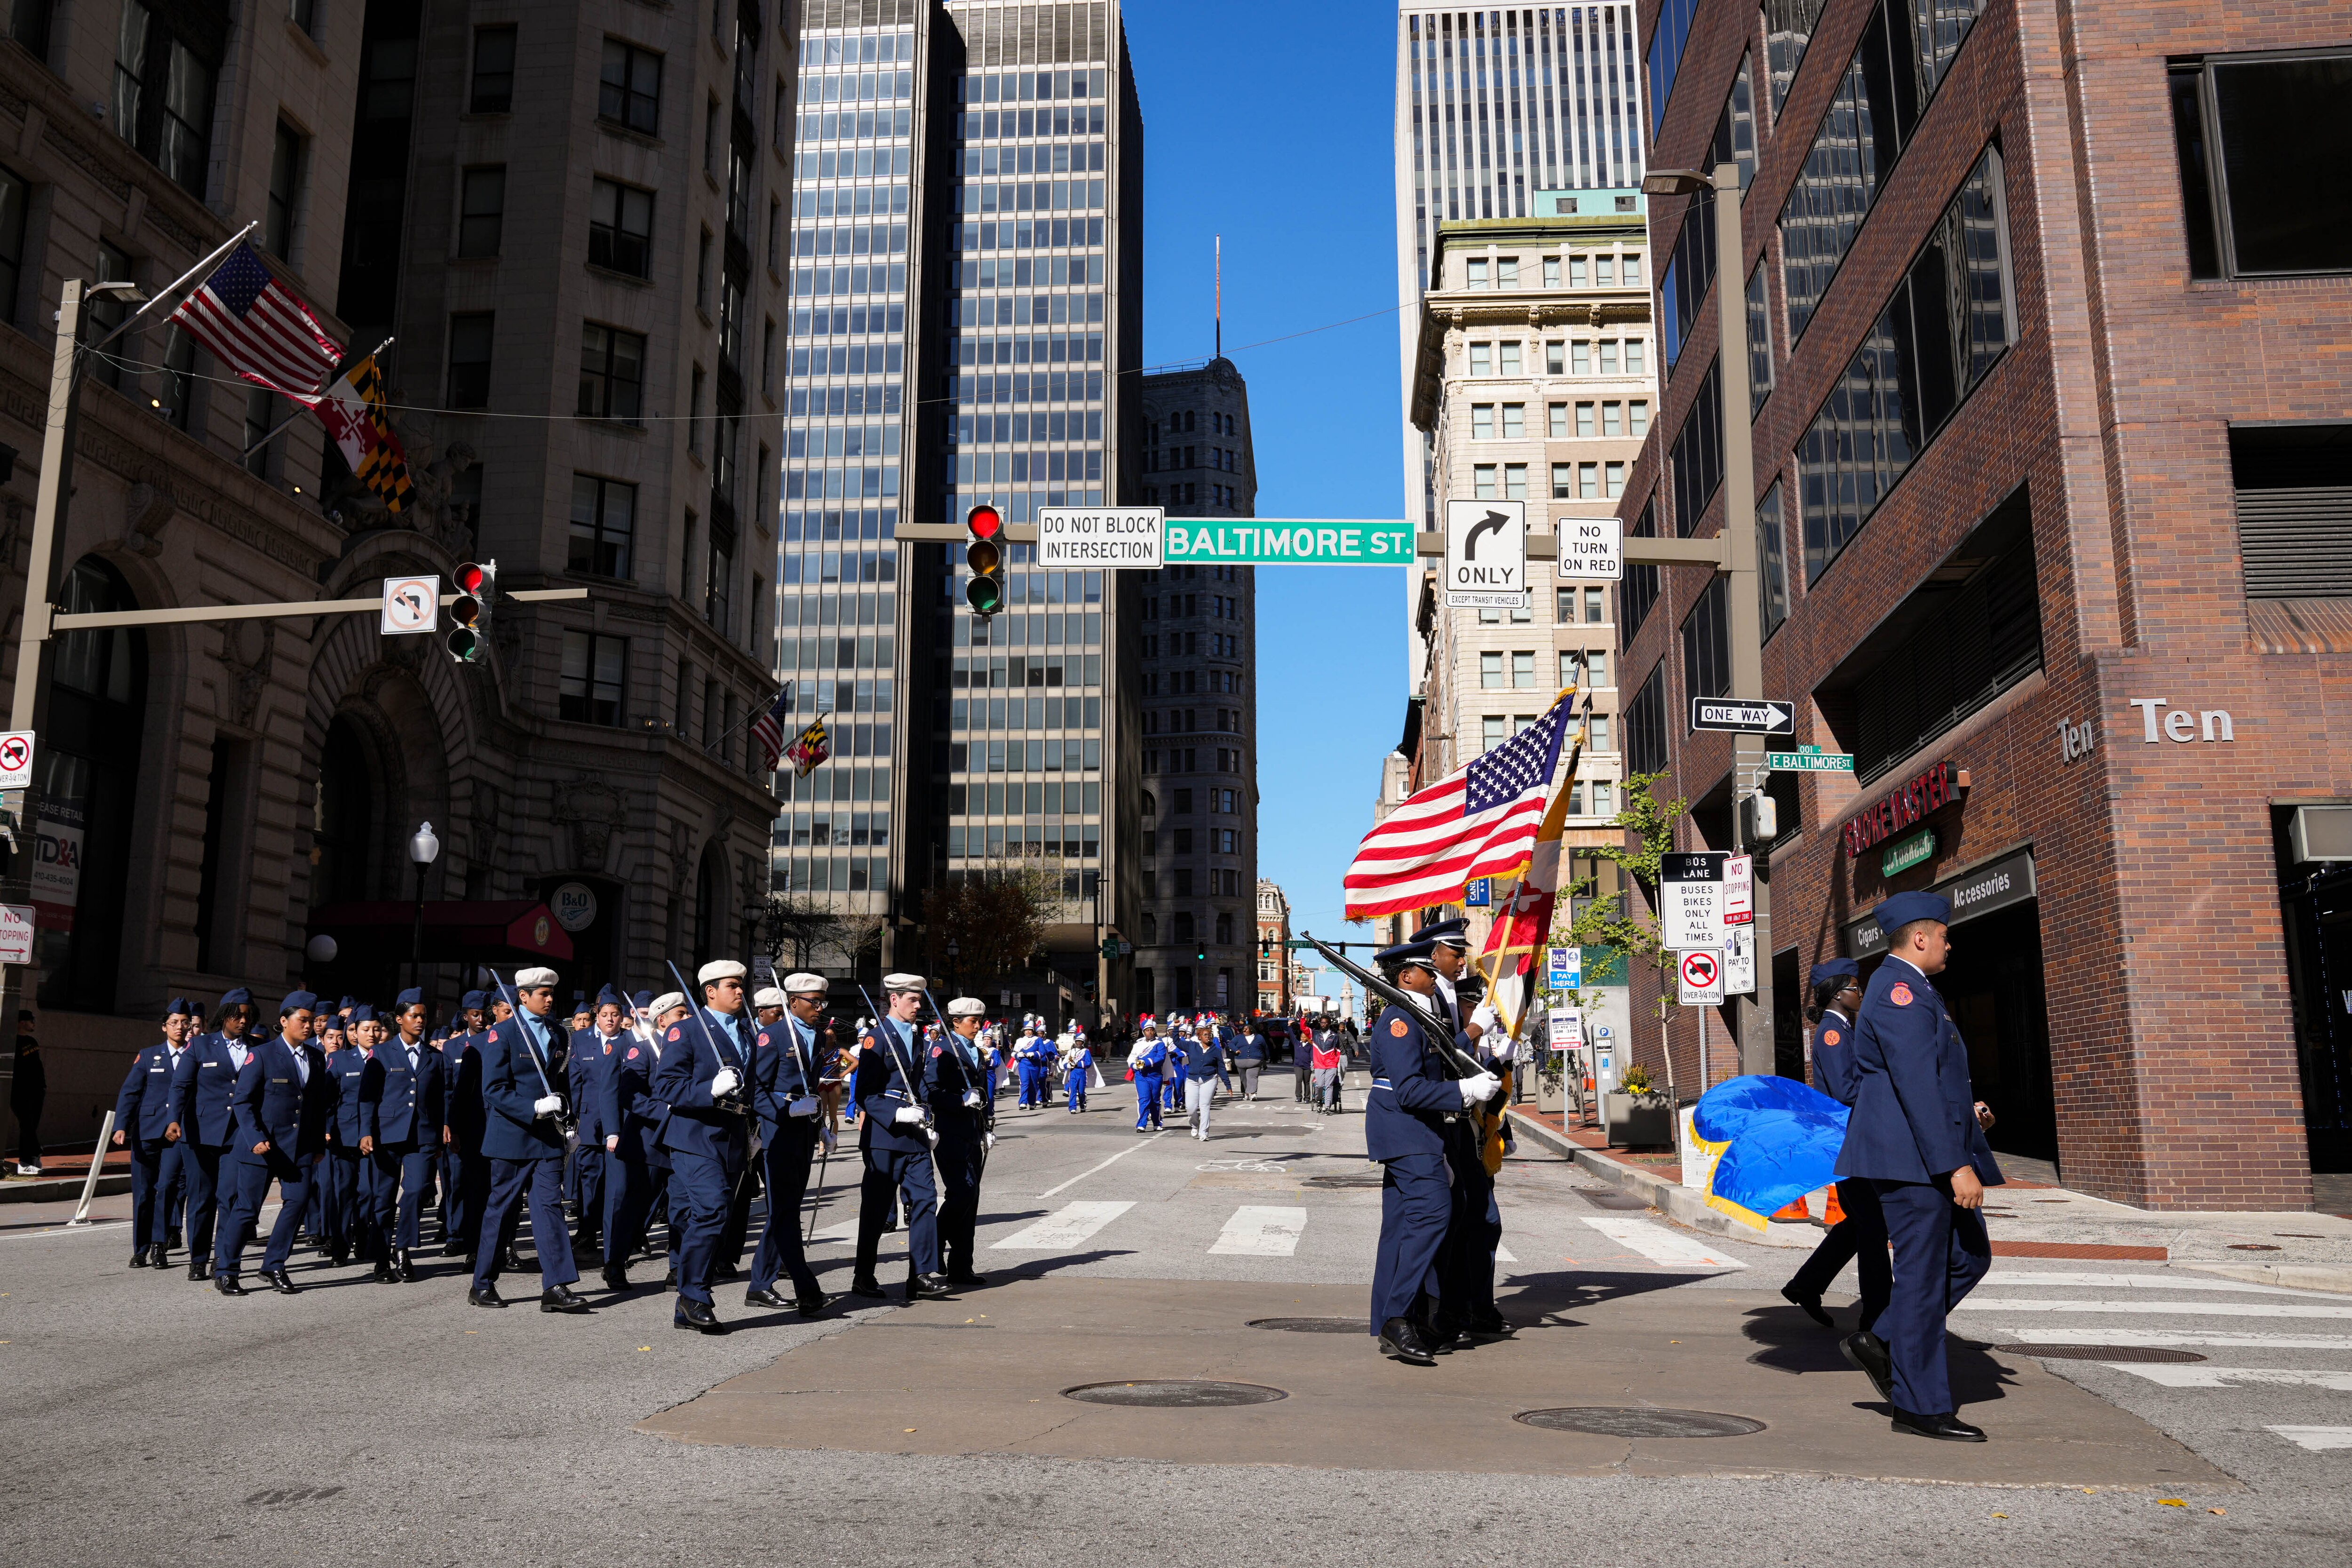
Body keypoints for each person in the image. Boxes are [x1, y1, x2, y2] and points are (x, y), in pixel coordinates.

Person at [1834, 891, 2003, 1443]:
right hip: (1911, 1162)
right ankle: (1920, 1406)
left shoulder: (1908, 988)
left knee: (1968, 1257)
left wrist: (1967, 1119)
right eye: (1945, 935)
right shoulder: (1900, 991)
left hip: (1918, 1153)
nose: (1951, 944)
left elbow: (1932, 1079)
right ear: (1921, 938)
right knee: (1923, 1282)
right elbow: (1914, 1084)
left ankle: (1884, 1340)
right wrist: (1954, 1164)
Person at [1365, 939, 1498, 1364]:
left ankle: (1410, 1315)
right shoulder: (1400, 1018)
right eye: (1428, 968)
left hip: (1419, 1131)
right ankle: (1399, 1316)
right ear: (1407, 976)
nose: (1437, 975)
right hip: (1406, 1131)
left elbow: (1441, 1062)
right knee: (1435, 1212)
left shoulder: (1419, 1014)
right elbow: (1408, 1089)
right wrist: (1464, 1090)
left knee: (1408, 1224)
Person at [469, 970, 591, 1315]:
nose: (550, 999)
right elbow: (493, 1089)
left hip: (548, 1138)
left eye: (552, 993)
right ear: (522, 996)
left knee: (550, 1207)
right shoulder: (502, 1034)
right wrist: (533, 1107)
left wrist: (568, 1123)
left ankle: (556, 1284)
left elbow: (561, 1081)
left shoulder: (558, 1033)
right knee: (503, 1209)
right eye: (543, 993)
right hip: (511, 1136)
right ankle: (482, 1283)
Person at [1781, 960, 1891, 1333]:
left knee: (1861, 1225)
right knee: (1873, 1227)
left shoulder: (1841, 1029)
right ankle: (1877, 1317)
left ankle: (1807, 1285)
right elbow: (1845, 1091)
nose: (1860, 994)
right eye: (1856, 987)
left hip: (1850, 1143)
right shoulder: (1833, 1032)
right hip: (1848, 1145)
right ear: (1839, 992)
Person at [654, 961, 758, 1333]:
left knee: (720, 1219)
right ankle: (694, 1294)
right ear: (710, 990)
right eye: (733, 985)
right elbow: (665, 1085)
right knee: (712, 1210)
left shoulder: (746, 1032)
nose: (740, 991)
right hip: (694, 1135)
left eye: (742, 985)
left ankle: (688, 1304)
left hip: (731, 1136)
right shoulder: (687, 1030)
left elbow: (753, 1088)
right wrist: (709, 1089)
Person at [213, 992, 334, 1296]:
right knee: (246, 1210)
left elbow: (317, 1105)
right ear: (284, 1021)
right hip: (262, 1147)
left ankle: (274, 1263)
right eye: (302, 1020)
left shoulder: (317, 1058)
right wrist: (255, 1137)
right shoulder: (263, 1054)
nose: (309, 1026)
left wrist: (318, 1142)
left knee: (298, 1201)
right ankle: (227, 1269)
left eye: (312, 1021)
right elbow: (243, 1101)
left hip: (300, 1148)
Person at [851, 973, 948, 1302]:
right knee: (877, 1209)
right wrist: (896, 1113)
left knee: (925, 1199)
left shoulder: (919, 1039)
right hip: (884, 1134)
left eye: (920, 1000)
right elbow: (865, 1092)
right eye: (912, 999)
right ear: (894, 999)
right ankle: (863, 1275)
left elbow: (920, 1084)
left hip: (915, 1134)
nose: (918, 1005)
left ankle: (920, 1274)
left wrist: (927, 1116)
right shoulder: (877, 1038)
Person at [745, 971, 832, 1316]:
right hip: (779, 1133)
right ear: (793, 1002)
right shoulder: (773, 1036)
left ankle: (760, 1284)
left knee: (785, 1212)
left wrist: (821, 1124)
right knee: (784, 1213)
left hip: (804, 1134)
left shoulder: (815, 1037)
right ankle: (806, 1286)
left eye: (823, 1001)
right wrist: (787, 1109)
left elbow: (811, 1086)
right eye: (814, 1001)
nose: (820, 1007)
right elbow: (756, 1089)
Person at [362, 987, 446, 1284]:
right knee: (383, 1199)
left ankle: (403, 1248)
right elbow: (368, 1098)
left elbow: (439, 1101)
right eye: (414, 1016)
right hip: (387, 1136)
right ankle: (381, 1259)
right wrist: (365, 1133)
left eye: (423, 1016)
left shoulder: (435, 1057)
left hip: (421, 1138)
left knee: (416, 1191)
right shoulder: (382, 1053)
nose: (420, 1021)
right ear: (399, 1019)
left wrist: (440, 1134)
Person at [171, 988, 256, 1281]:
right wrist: (173, 1120)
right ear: (223, 1016)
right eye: (237, 1015)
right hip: (199, 1135)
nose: (242, 1021)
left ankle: (223, 1257)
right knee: (200, 1198)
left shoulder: (258, 1048)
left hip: (238, 1136)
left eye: (247, 1016)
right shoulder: (201, 1046)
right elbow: (180, 1086)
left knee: (230, 1197)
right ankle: (198, 1258)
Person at [598, 991, 677, 1292]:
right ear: (661, 1020)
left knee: (681, 1208)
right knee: (634, 1208)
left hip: (682, 1141)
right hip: (648, 1141)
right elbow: (628, 1096)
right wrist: (668, 1110)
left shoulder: (690, 1048)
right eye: (679, 1015)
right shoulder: (639, 1048)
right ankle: (615, 1263)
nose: (686, 1021)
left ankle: (678, 1268)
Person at [112, 999, 196, 1268]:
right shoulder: (149, 1056)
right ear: (164, 1027)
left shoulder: (197, 1055)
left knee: (166, 1188)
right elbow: (130, 1092)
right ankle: (140, 1248)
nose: (180, 1028)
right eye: (174, 1023)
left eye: (185, 1023)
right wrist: (121, 1126)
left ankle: (159, 1245)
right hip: (147, 1132)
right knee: (143, 1192)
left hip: (178, 1135)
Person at [929, 996, 994, 1287]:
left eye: (979, 1021)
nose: (978, 1026)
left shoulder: (977, 1052)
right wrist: (960, 1101)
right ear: (955, 1022)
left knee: (972, 1200)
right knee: (962, 1193)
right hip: (950, 1131)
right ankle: (932, 1242)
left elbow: (983, 1092)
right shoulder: (941, 1049)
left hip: (973, 1132)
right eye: (973, 1021)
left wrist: (987, 1124)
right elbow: (929, 1091)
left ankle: (961, 1265)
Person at [570, 987, 629, 1265]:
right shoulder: (582, 1041)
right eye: (604, 1015)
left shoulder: (630, 1043)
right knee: (589, 1181)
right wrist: (572, 1122)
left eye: (614, 1015)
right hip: (590, 1123)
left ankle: (617, 1235)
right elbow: (576, 1083)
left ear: (621, 1018)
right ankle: (586, 1231)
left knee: (616, 1184)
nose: (609, 1020)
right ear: (597, 1016)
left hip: (621, 1125)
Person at [319, 1005, 372, 1270]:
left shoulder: (383, 1057)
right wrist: (326, 1128)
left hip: (375, 1137)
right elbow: (329, 1100)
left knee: (368, 1192)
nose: (368, 1034)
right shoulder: (340, 1060)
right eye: (356, 1029)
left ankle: (363, 1240)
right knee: (345, 1192)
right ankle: (340, 1246)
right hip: (346, 1137)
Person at [440, 991, 491, 1261]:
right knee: (458, 1181)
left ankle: (479, 1237)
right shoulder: (453, 1047)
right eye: (475, 1015)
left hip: (489, 1123)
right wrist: (449, 1123)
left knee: (484, 1184)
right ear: (465, 1017)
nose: (481, 1020)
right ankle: (454, 1235)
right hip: (463, 1123)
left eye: (484, 1014)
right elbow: (449, 1090)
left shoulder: (493, 1042)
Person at [8, 1010, 41, 1176]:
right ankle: (26, 1160)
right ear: (22, 1023)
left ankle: (33, 1155)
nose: (34, 1023)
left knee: (32, 1124)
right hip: (18, 1089)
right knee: (26, 1123)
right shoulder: (10, 1042)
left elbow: (37, 1066)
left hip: (36, 1090)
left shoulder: (32, 1041)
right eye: (31, 1021)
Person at [1181, 1023, 1220, 1141]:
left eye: (1209, 1035)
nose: (1208, 1037)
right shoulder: (1193, 1046)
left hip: (1209, 1078)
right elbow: (1177, 1042)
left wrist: (1228, 1085)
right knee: (1191, 1108)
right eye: (1205, 1035)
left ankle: (1204, 1133)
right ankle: (1194, 1125)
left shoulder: (1215, 1049)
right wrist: (1177, 1027)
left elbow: (1221, 1066)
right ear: (1199, 1036)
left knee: (1205, 1106)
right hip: (1192, 1079)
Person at [1128, 1026, 1167, 1132]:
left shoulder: (1160, 1044)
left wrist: (1147, 1063)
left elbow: (1161, 1058)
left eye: (1151, 1030)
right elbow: (1131, 1058)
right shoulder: (1138, 1044)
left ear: (1154, 1031)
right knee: (1144, 1099)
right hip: (1141, 1075)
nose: (1150, 1033)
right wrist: (1135, 1066)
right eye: (1147, 1031)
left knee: (1155, 1100)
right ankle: (1142, 1124)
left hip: (1155, 1075)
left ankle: (1157, 1122)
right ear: (1143, 1032)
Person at [1311, 1028, 1344, 1114]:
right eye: (1322, 1022)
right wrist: (1303, 1017)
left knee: (1329, 1085)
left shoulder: (1334, 1036)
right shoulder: (1316, 1035)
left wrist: (1335, 1062)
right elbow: (1304, 1029)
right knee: (1319, 1085)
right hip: (1319, 1065)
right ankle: (1319, 1099)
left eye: (1325, 1023)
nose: (1323, 1024)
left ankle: (1327, 1107)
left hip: (1331, 1065)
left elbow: (1339, 1050)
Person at [1235, 1020, 1265, 1100]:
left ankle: (1253, 1094)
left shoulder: (1259, 1037)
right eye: (1243, 1029)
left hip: (1255, 1061)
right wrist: (1236, 1050)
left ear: (1251, 1030)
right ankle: (1246, 1093)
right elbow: (1231, 1044)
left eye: (1246, 1029)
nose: (1244, 1030)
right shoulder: (1239, 1037)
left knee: (1252, 1077)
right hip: (1240, 1060)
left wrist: (1265, 1059)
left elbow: (1264, 1048)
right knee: (1244, 1078)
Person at [1063, 1032, 1093, 1114]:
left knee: (1081, 1092)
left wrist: (1078, 1063)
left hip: (1082, 1073)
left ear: (1083, 1043)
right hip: (1073, 1073)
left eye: (1081, 1042)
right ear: (1075, 1042)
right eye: (1078, 1041)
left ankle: (1083, 1104)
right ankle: (1072, 1107)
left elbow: (1088, 1063)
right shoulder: (1071, 1051)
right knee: (1073, 1090)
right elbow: (1065, 1062)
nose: (1079, 1043)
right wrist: (1067, 1065)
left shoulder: (1086, 1051)